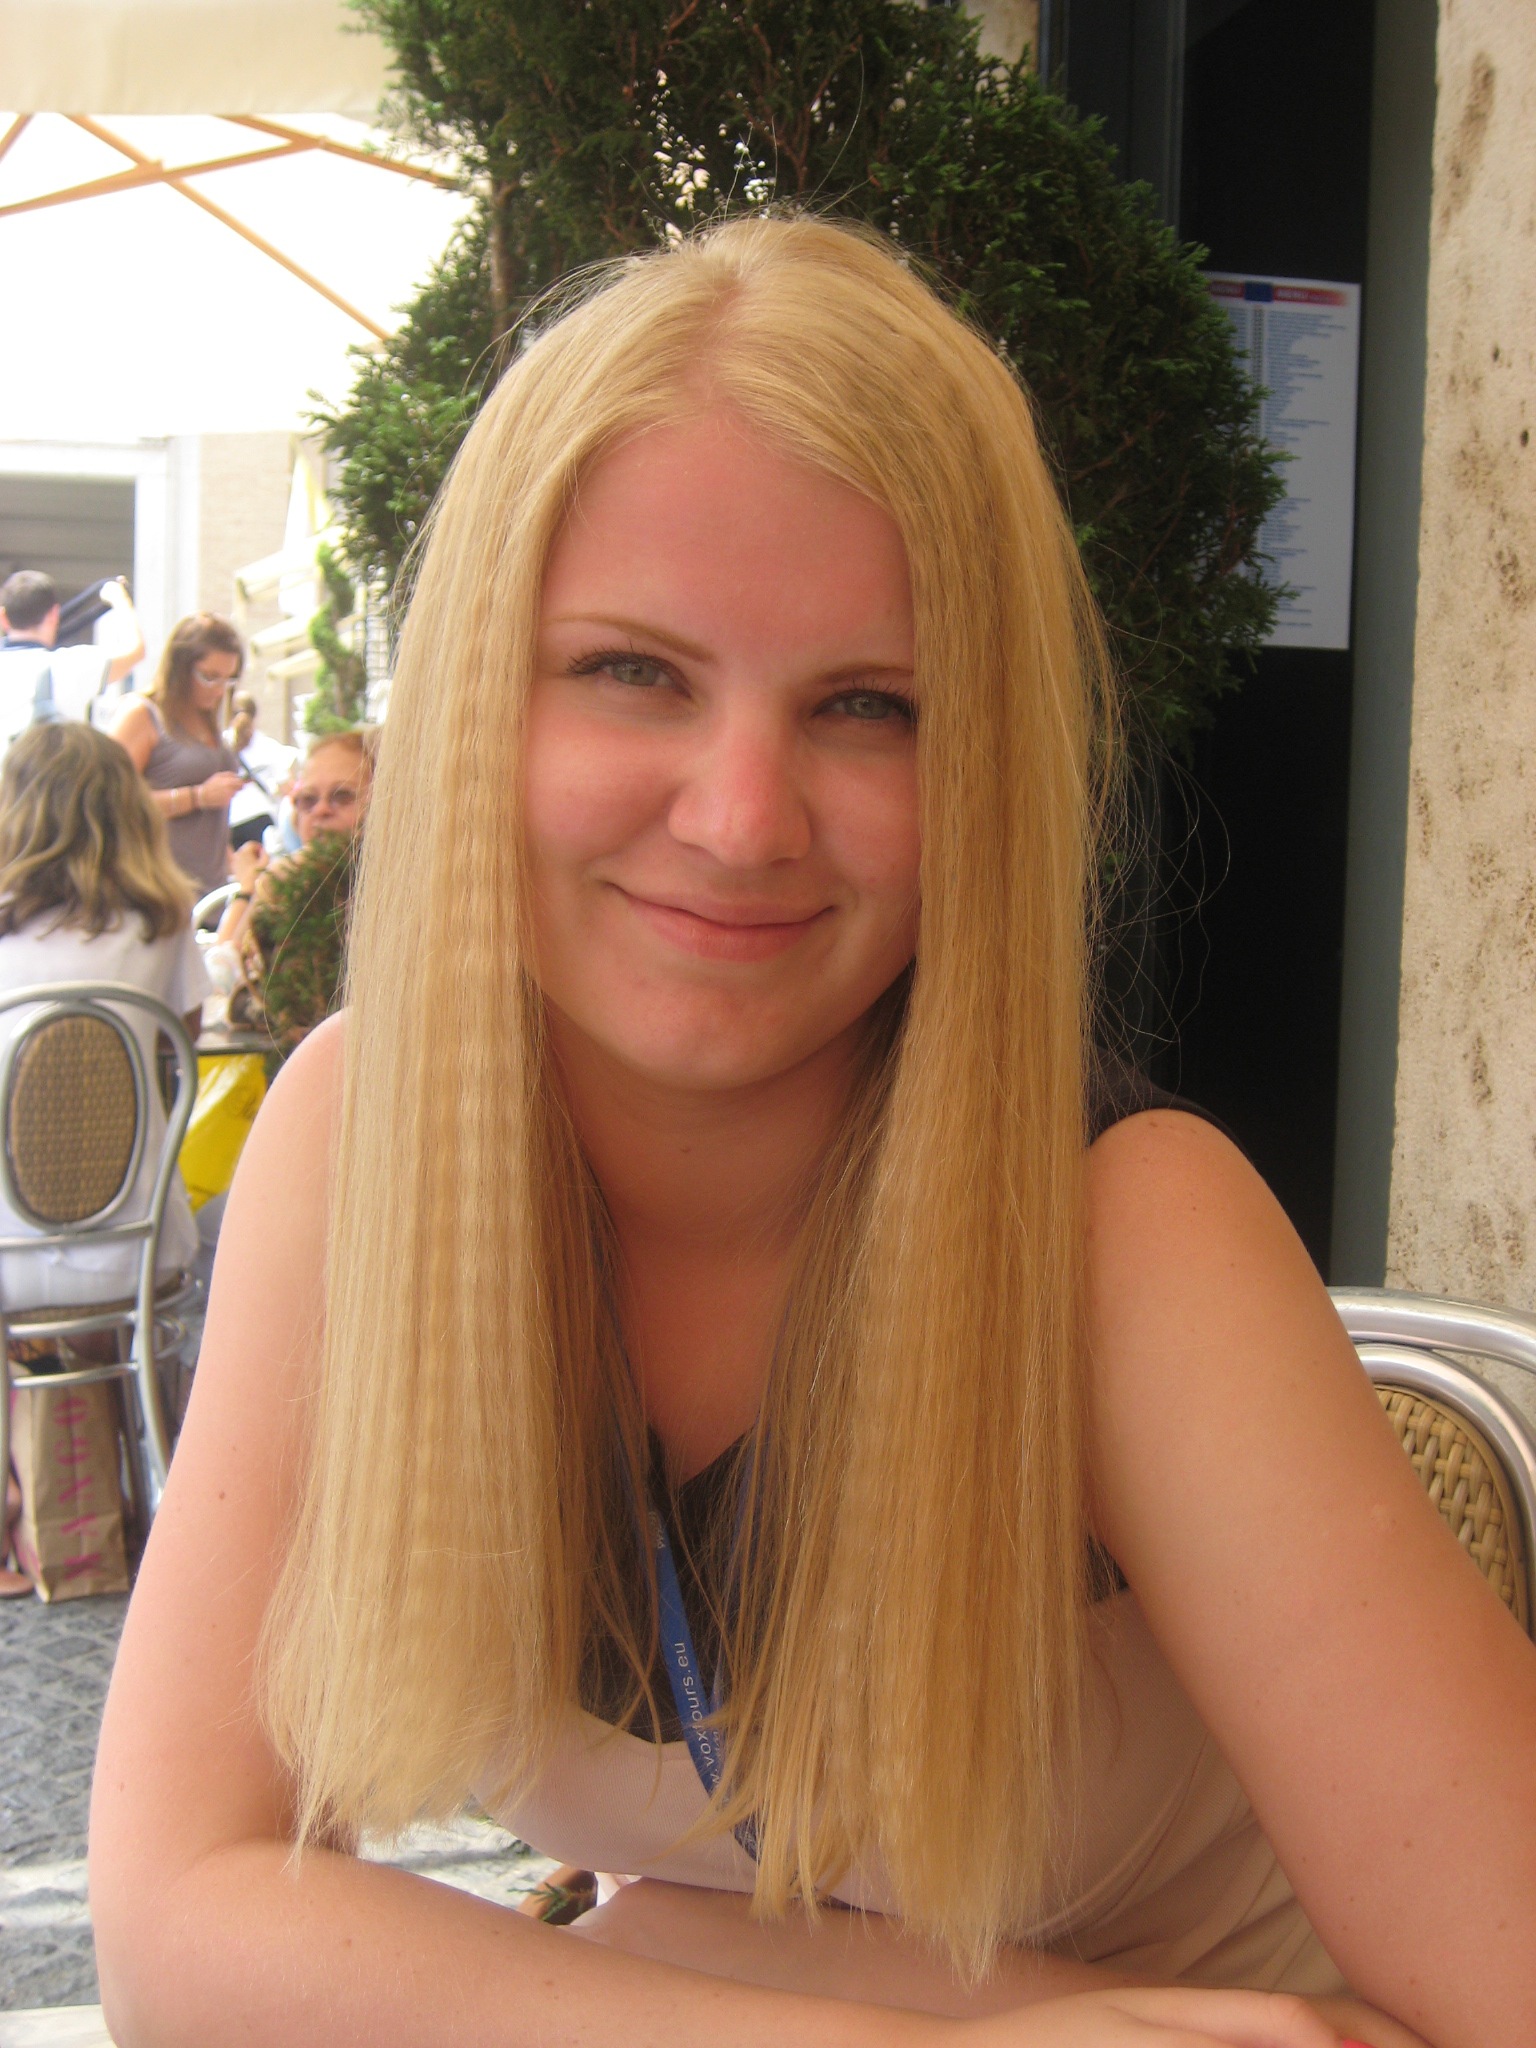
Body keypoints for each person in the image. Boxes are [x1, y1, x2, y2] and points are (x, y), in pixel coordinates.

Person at [91, 217, 1535, 2048]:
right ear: (476, 701)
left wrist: (692, 1977)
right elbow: (175, 1925)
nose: (742, 818)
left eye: (870, 706)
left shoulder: (1121, 1238)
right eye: (634, 671)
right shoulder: (360, 1145)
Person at [0, 722, 209, 1314]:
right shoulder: (162, 922)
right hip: (135, 1249)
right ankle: (116, 1371)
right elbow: (181, 1040)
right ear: (128, 812)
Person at [108, 613, 247, 896]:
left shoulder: (206, 720)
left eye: (228, 680)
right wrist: (197, 797)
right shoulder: (142, 714)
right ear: (180, 668)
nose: (219, 691)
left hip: (210, 889)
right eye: (209, 677)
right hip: (155, 892)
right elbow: (110, 801)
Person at [0, 568, 145, 744]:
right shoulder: (72, 665)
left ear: (3, 617)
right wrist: (120, 600)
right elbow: (135, 650)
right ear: (54, 614)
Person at [224, 689, 298, 852]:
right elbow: (286, 787)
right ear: (255, 715)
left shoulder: (221, 746)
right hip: (261, 819)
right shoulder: (267, 746)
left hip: (229, 821)